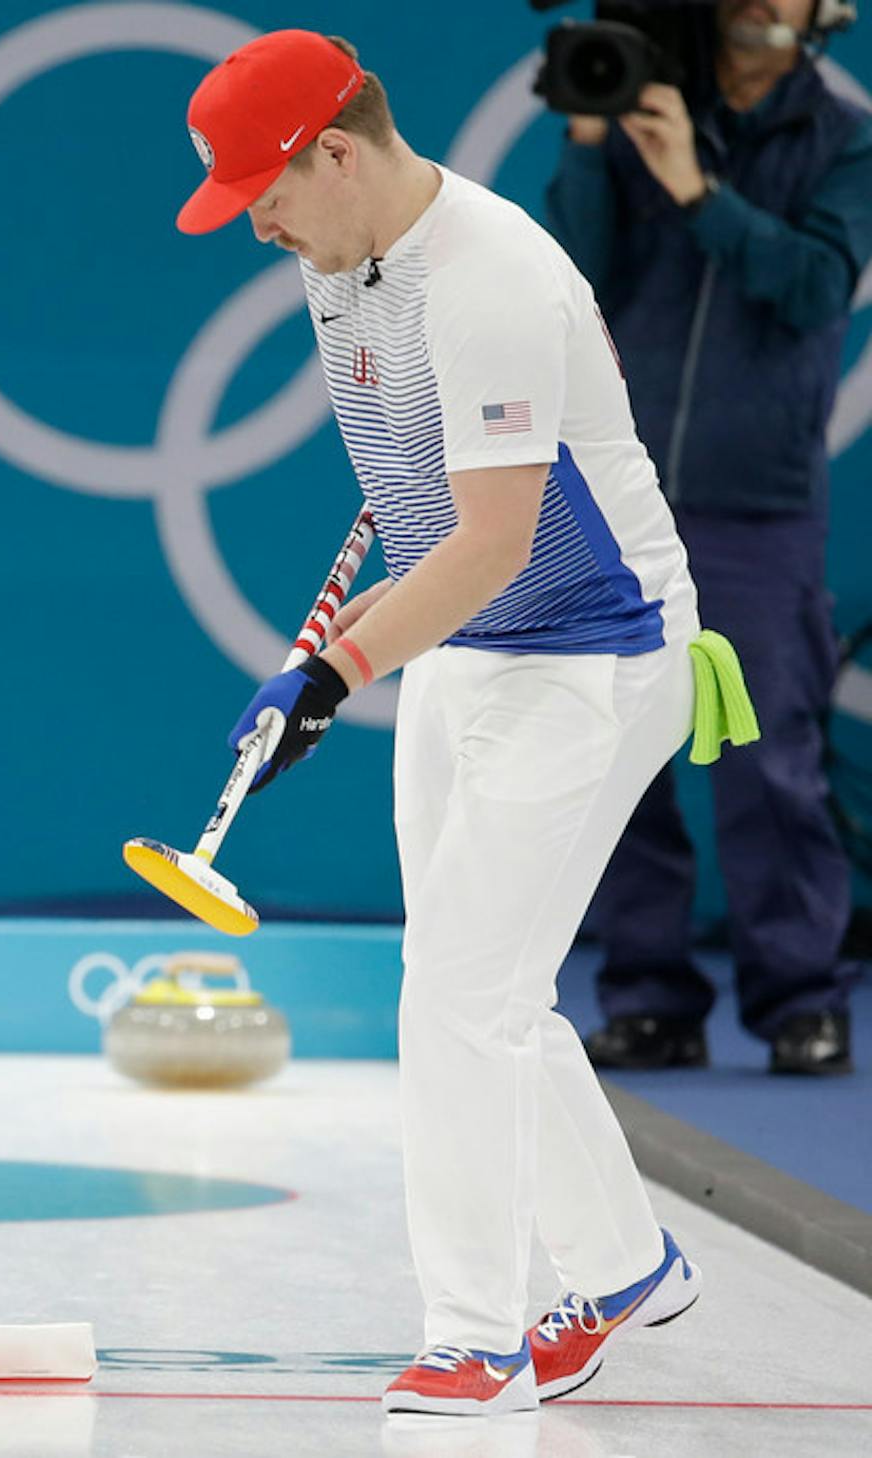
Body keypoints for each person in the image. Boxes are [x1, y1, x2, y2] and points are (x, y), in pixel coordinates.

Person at [175, 30, 751, 1416]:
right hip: (475, 650)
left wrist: (333, 670)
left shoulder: (491, 278)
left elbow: (494, 537)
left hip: (597, 656)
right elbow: (425, 497)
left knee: (458, 998)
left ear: (339, 149)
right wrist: (366, 654)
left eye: (267, 185)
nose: (253, 218)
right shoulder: (337, 262)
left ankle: (476, 1337)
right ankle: (625, 1266)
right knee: (477, 978)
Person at [544, 0, 871, 1076]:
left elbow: (817, 287)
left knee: (768, 761)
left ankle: (798, 1003)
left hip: (758, 501)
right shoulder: (644, 108)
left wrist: (700, 191)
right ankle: (649, 997)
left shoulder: (843, 139)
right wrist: (595, 138)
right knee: (614, 752)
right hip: (623, 493)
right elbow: (574, 278)